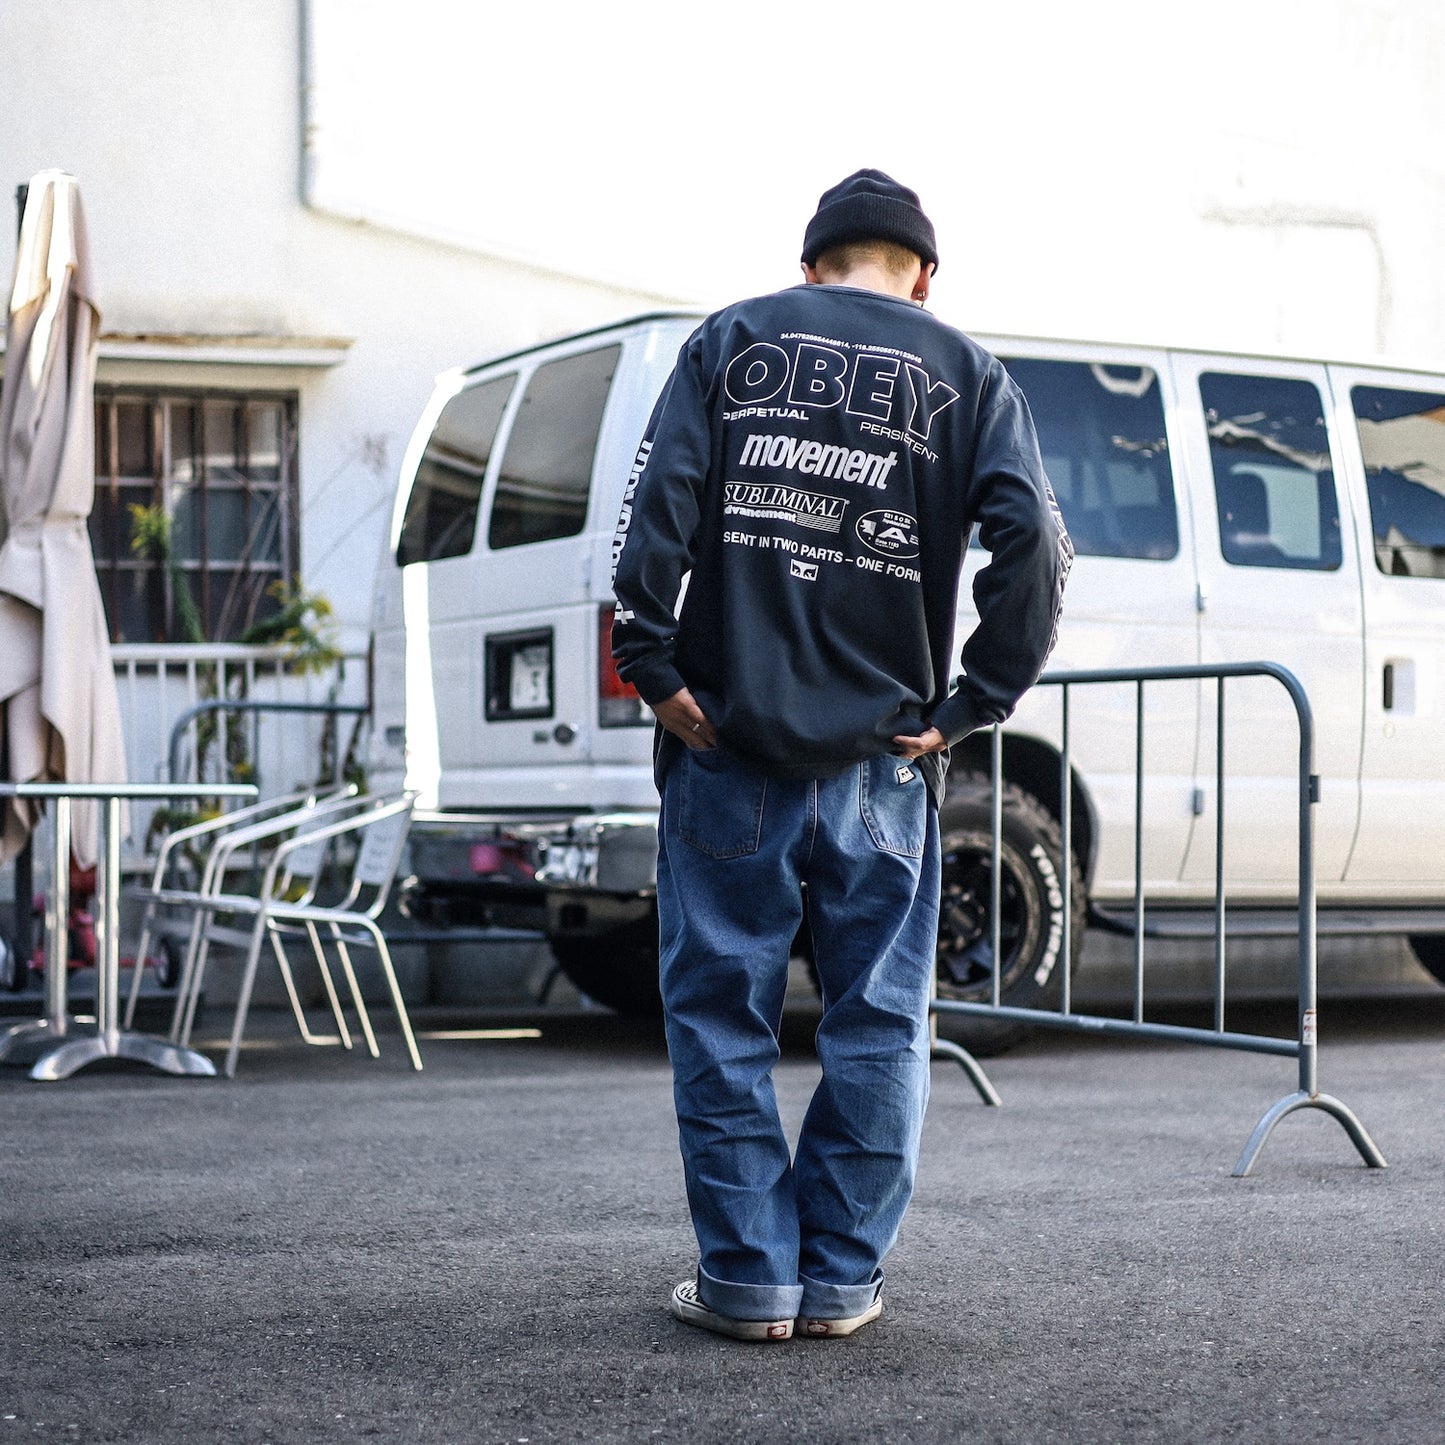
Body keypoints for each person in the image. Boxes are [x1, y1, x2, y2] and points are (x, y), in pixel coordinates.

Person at [610, 169, 1071, 1342]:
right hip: (882, 758)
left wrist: (654, 665)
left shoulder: (733, 336)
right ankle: (840, 1281)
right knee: (877, 1020)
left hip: (728, 742)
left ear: (811, 261)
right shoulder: (969, 373)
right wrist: (975, 700)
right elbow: (1032, 549)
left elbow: (653, 509)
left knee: (721, 1018)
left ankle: (748, 1282)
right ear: (921, 273)